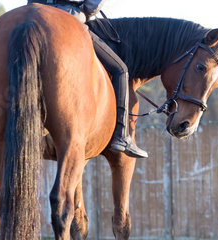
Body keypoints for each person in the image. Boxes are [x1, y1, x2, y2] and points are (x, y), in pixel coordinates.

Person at [28, 0, 148, 158]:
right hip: (69, 17)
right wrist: (85, 13)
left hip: (32, 17)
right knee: (121, 70)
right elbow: (94, 3)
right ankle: (121, 136)